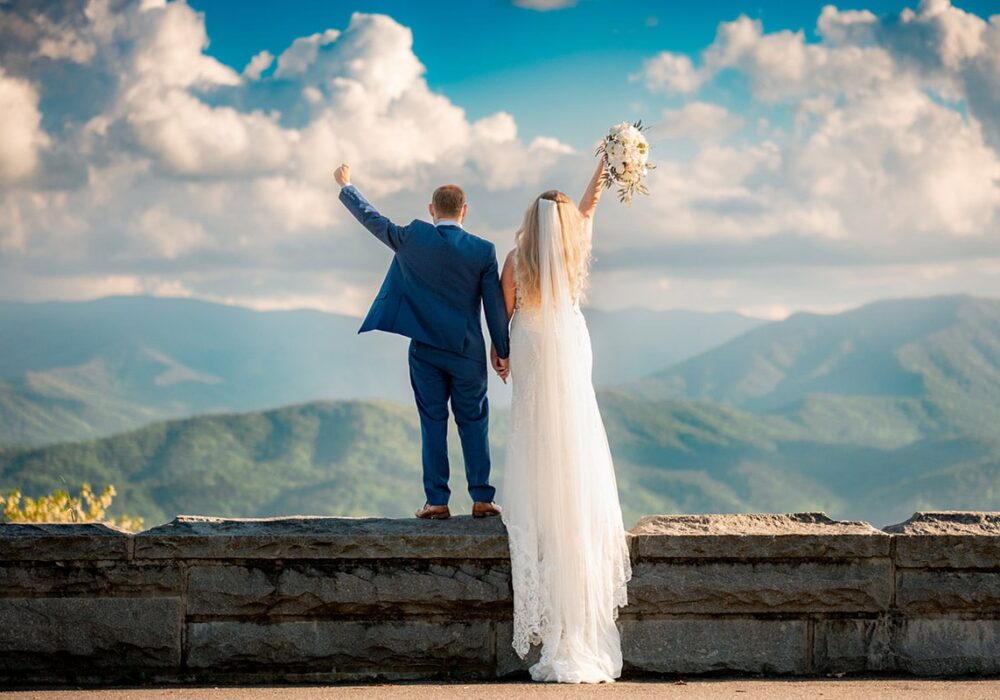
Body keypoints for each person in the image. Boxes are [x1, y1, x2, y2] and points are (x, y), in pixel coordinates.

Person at [496, 156, 632, 682]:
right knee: (575, 426)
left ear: (531, 223)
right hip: (568, 339)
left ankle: (540, 511)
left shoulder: (517, 258)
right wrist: (610, 161)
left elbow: (504, 312)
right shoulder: (577, 249)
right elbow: (591, 203)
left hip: (531, 340)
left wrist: (500, 353)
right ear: (565, 224)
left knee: (534, 432)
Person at [333, 164, 510, 520]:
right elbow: (494, 306)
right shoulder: (483, 251)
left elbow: (373, 220)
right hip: (467, 351)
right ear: (464, 210)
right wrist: (503, 352)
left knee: (433, 421)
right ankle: (482, 498)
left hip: (425, 352)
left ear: (432, 209)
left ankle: (437, 502)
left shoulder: (413, 236)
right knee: (473, 422)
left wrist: (347, 186)